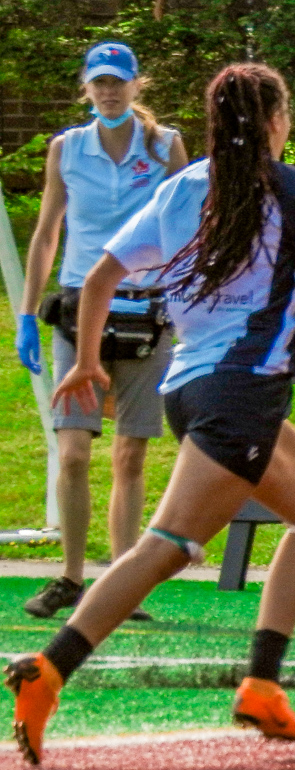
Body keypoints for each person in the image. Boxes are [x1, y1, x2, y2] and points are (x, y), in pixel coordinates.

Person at [5, 62, 295, 766]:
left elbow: (101, 275)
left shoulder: (183, 186)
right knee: (166, 547)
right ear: (277, 121)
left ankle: (262, 684)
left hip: (190, 385)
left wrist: (86, 360)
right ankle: (49, 667)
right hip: (241, 392)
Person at [15, 42, 188, 621]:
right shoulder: (67, 148)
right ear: (86, 88)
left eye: (119, 82)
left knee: (131, 453)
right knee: (72, 452)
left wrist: (187, 302)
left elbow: (184, 227)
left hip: (145, 312)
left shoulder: (164, 146)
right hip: (79, 312)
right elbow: (47, 232)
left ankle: (120, 580)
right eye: (100, 82)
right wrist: (26, 314)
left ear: (137, 85)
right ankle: (70, 576)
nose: (109, 92)